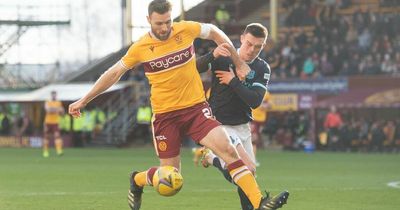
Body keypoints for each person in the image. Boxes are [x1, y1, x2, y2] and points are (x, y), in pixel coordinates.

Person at [69, 1, 288, 209]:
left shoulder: (185, 29)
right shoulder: (141, 48)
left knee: (230, 152)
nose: (165, 28)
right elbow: (114, 73)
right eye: (159, 23)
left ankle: (259, 202)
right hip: (166, 117)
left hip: (196, 109)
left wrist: (238, 62)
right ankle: (136, 179)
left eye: (167, 22)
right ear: (148, 20)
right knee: (172, 180)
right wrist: (84, 99)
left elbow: (213, 30)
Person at [194, 23, 288, 210]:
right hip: (219, 125)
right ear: (242, 38)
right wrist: (212, 54)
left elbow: (255, 101)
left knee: (249, 173)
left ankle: (210, 158)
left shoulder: (262, 68)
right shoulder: (224, 56)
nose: (252, 50)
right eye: (249, 44)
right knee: (246, 168)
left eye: (258, 47)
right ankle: (259, 202)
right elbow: (194, 68)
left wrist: (234, 81)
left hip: (242, 126)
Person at [251, 91, 271, 166]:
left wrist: (266, 106)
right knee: (253, 139)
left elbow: (270, 105)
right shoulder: (253, 90)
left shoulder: (267, 93)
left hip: (262, 120)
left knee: (255, 140)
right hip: (253, 118)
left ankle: (252, 158)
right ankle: (252, 159)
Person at [43, 90, 65, 157]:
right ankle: (45, 152)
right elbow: (48, 110)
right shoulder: (47, 101)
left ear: (56, 95)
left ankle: (59, 150)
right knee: (47, 137)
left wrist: (53, 109)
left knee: (57, 135)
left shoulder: (58, 102)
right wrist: (57, 109)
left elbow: (62, 112)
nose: (54, 96)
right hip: (48, 122)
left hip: (55, 122)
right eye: (53, 94)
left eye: (55, 94)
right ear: (51, 95)